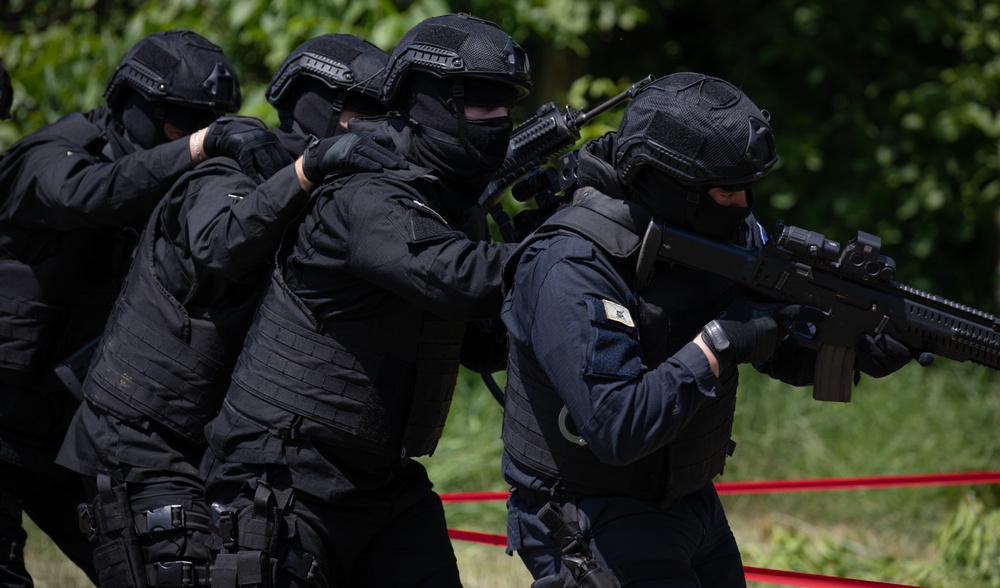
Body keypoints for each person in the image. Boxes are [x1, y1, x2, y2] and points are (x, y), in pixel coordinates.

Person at [498, 72, 923, 587]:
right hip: (588, 512)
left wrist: (851, 348)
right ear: (671, 185)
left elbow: (770, 340)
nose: (745, 206)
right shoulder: (571, 262)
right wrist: (720, 344)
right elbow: (616, 426)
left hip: (688, 497)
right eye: (727, 192)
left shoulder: (712, 229)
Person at [53, 33, 400, 588]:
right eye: (361, 117)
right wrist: (308, 170)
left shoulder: (334, 197)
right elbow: (222, 243)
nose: (376, 134)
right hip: (144, 440)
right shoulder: (227, 176)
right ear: (317, 110)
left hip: (218, 442)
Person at [199, 13, 531, 587]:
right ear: (429, 103)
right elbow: (456, 276)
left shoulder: (452, 201)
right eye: (482, 106)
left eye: (507, 108)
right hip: (284, 478)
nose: (499, 122)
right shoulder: (369, 189)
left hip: (383, 478)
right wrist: (570, 247)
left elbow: (478, 342)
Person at [0, 30, 278, 588]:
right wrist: (203, 147)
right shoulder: (51, 155)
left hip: (72, 430)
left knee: (149, 571)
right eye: (182, 124)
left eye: (207, 124)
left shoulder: (177, 181)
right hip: (4, 417)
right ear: (133, 105)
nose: (194, 138)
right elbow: (93, 194)